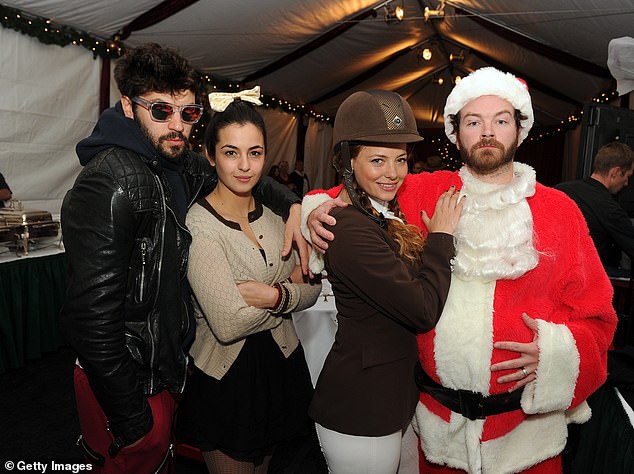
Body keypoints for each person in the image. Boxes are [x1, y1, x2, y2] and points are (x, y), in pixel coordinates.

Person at [302, 67, 617, 473]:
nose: (487, 132)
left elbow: (599, 320)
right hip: (437, 436)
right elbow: (350, 192)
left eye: (501, 120)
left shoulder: (561, 212)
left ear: (519, 132)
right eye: (473, 121)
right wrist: (309, 209)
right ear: (456, 134)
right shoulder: (424, 191)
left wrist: (557, 355)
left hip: (527, 442)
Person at [60, 43, 304, 473]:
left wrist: (295, 204)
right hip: (127, 380)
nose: (177, 126)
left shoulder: (175, 162)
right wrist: (132, 418)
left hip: (166, 368)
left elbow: (240, 175)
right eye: (160, 111)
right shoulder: (109, 183)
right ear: (127, 105)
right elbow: (89, 320)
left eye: (188, 114)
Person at [305, 90, 462, 474]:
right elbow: (423, 310)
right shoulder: (348, 227)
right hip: (361, 408)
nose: (392, 173)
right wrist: (441, 238)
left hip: (386, 401)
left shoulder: (380, 215)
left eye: (400, 160)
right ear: (349, 163)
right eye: (378, 160)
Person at [174, 95, 321, 473]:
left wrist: (274, 295)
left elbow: (313, 287)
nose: (244, 166)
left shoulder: (278, 220)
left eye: (255, 153)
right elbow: (228, 323)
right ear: (210, 156)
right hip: (228, 382)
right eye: (230, 152)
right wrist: (288, 296)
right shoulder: (199, 225)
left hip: (281, 368)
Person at [556, 141, 634, 277]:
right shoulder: (610, 209)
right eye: (627, 176)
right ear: (615, 172)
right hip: (583, 283)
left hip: (549, 277)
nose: (627, 183)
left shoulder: (560, 189)